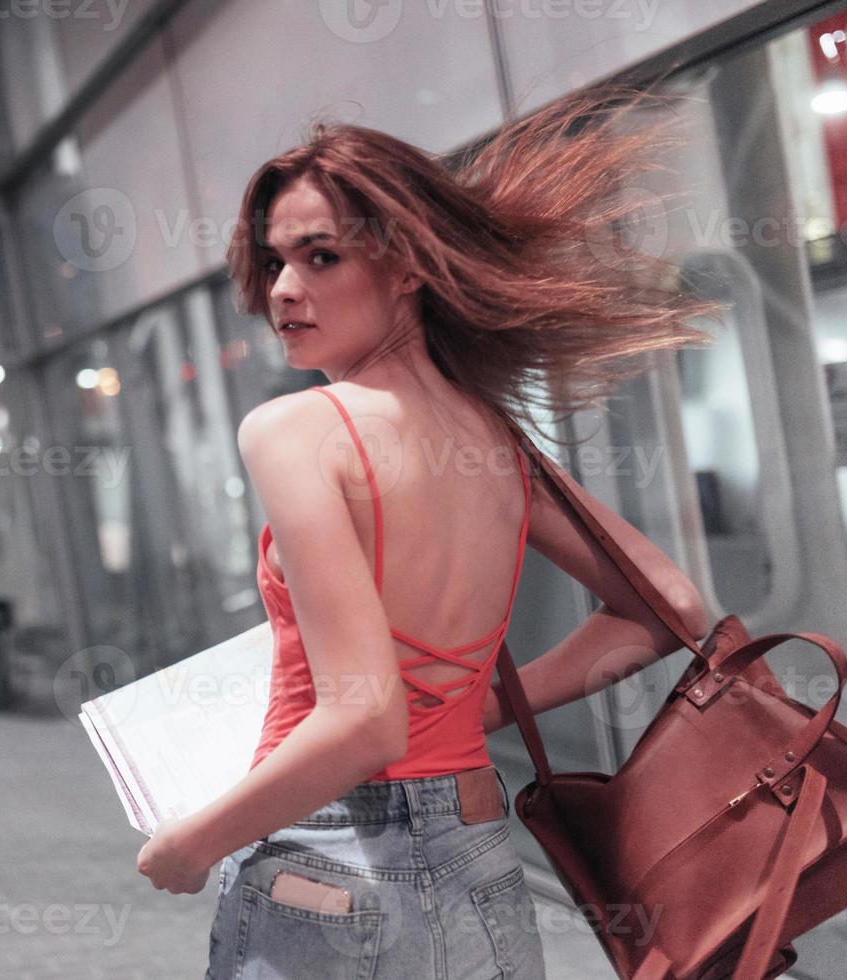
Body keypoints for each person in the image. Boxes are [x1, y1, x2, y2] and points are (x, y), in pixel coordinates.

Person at [135, 83, 725, 978]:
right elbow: (670, 607)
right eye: (276, 262)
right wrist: (474, 708)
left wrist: (191, 844)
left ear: (408, 266)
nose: (284, 291)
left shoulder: (295, 430)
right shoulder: (495, 439)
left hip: (331, 859)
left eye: (321, 257)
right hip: (480, 853)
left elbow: (366, 723)